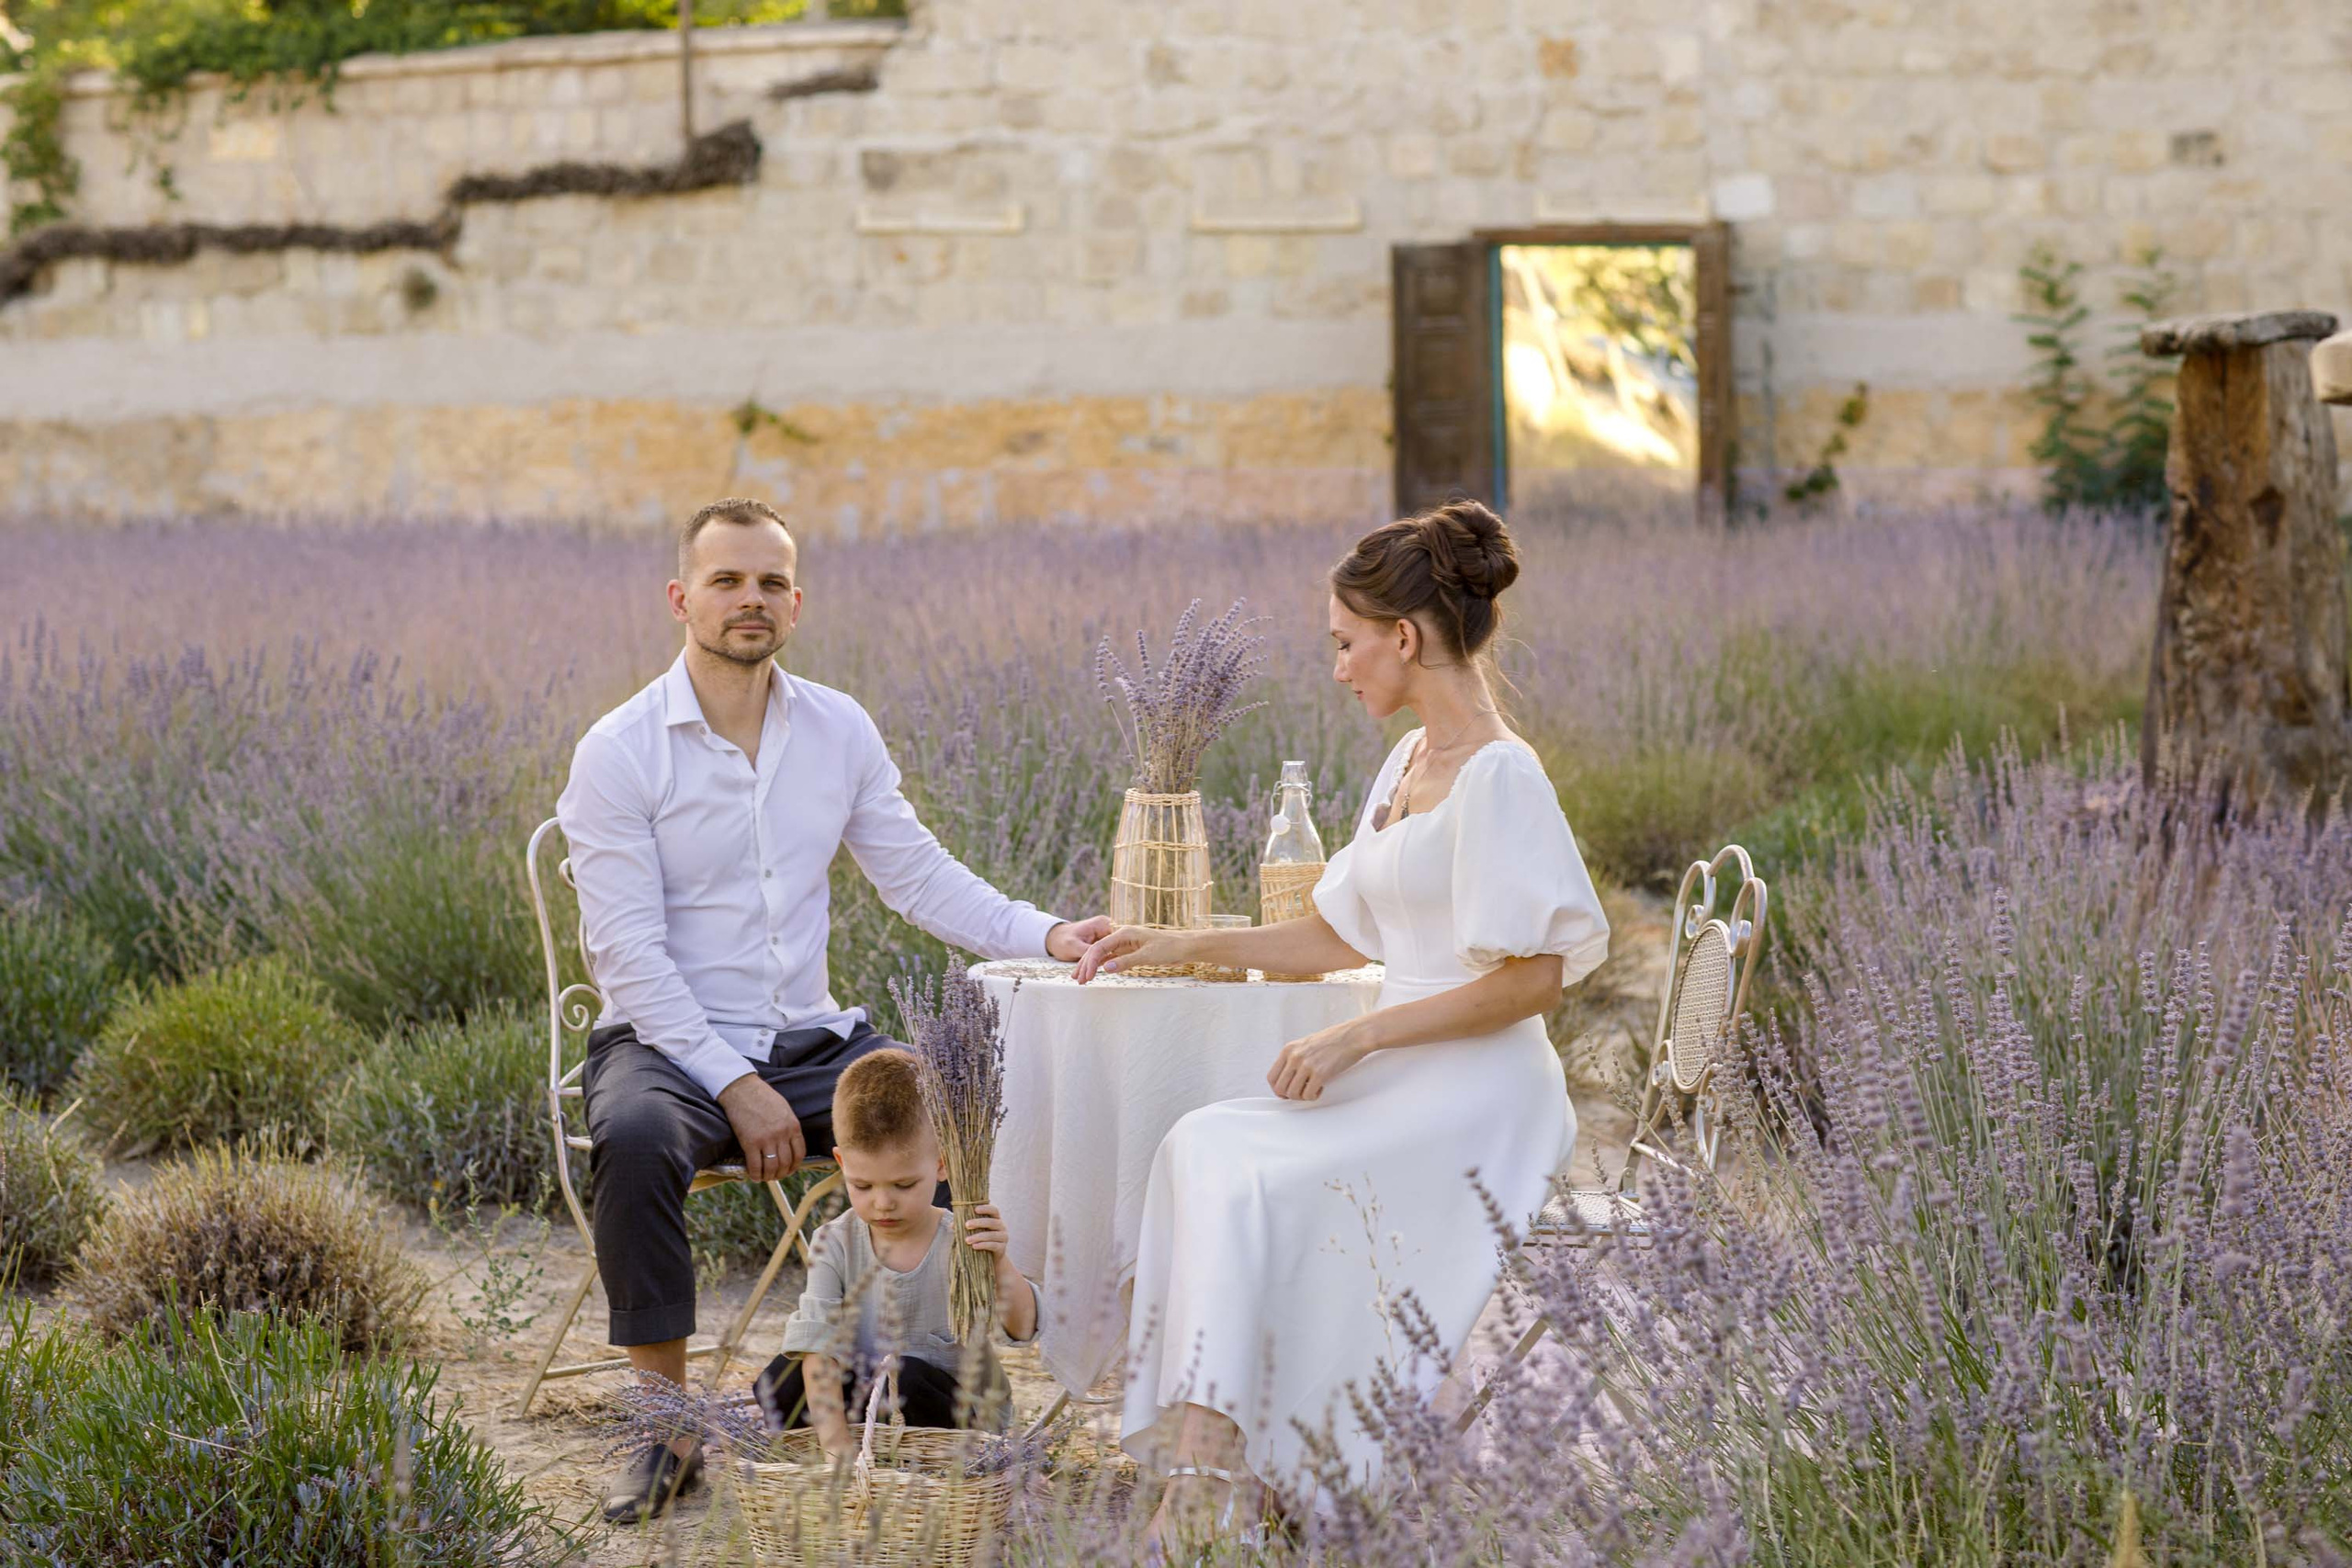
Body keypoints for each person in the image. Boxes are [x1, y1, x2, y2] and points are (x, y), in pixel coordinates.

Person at [557, 498, 1111, 1524]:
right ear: (681, 598)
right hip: (666, 1043)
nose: (750, 599)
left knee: (967, 1108)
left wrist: (1049, 935)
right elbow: (626, 959)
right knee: (632, 1141)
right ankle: (665, 1432)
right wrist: (735, 1085)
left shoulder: (836, 727)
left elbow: (918, 875)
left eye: (770, 582)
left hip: (815, 1043)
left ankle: (936, 1387)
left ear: (796, 603)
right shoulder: (620, 750)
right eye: (726, 580)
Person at [1074, 499, 1610, 1550]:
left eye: (1343, 643)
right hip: (1405, 1070)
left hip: (1481, 1093)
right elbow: (1335, 933)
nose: (1335, 669)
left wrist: (1356, 1037)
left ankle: (1229, 1481)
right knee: (1205, 1146)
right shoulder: (1403, 764)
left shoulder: (1501, 775)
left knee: (1263, 1177)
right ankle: (1227, 1464)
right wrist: (1176, 941)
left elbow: (1535, 981)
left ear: (1402, 638)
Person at [753, 1048, 1042, 1450]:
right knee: (781, 1378)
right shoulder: (834, 1241)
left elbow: (1022, 1329)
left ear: (942, 1163)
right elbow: (817, 1344)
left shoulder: (960, 1237)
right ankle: (856, 1451)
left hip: (951, 1410)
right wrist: (836, 1445)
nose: (883, 1203)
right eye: (862, 1186)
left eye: (903, 1185)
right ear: (841, 1162)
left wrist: (1000, 1261)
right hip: (867, 1401)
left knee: (904, 1377)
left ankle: (920, 1457)